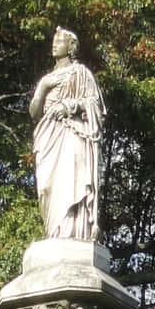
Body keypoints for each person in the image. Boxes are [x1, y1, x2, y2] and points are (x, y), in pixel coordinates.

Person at [30, 28, 104, 241]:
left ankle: (72, 232)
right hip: (48, 134)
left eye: (60, 40)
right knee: (46, 187)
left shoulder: (81, 73)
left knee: (71, 180)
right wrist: (42, 88)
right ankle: (54, 232)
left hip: (72, 132)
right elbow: (34, 113)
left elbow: (95, 106)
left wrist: (70, 106)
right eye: (53, 40)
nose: (54, 44)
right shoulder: (47, 79)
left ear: (71, 47)